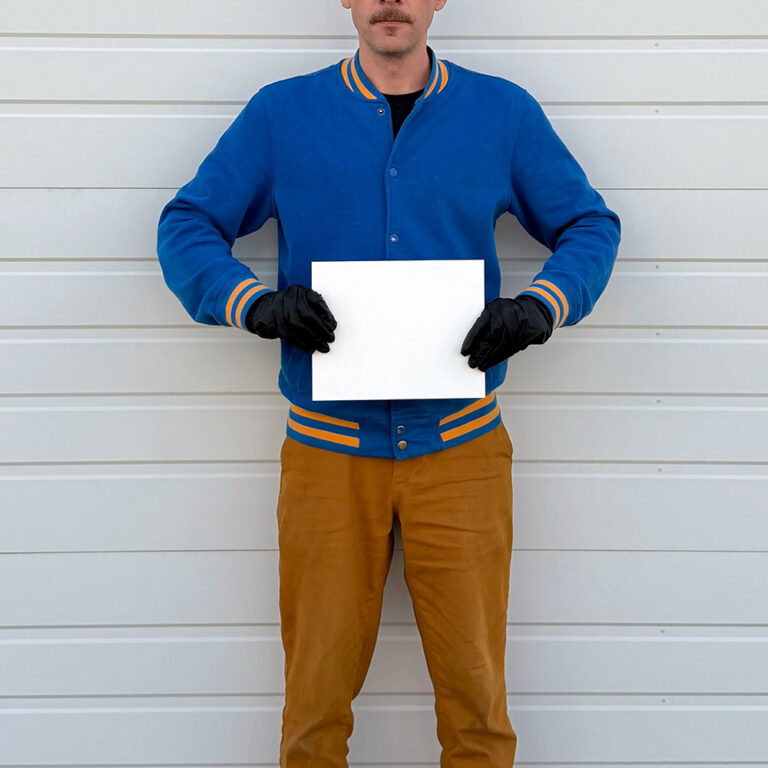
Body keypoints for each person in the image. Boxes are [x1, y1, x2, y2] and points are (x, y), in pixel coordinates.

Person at [156, 1, 621, 764]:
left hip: (462, 453)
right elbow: (187, 225)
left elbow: (589, 225)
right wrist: (253, 303)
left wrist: (541, 306)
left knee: (477, 710)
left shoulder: (502, 113)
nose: (391, 0)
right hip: (328, 456)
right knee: (314, 711)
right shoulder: (282, 114)